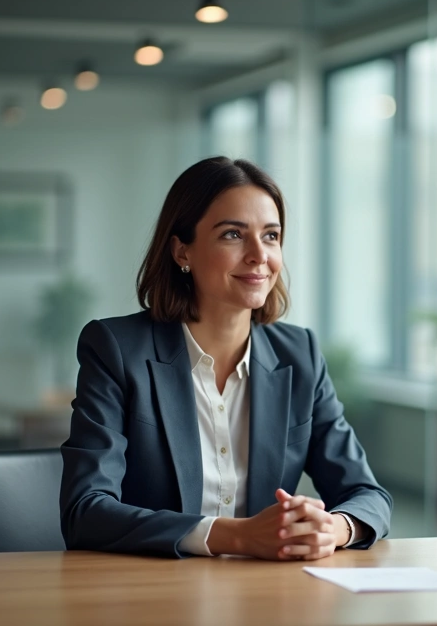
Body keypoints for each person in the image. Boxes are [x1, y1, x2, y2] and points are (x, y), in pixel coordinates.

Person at [61, 156, 392, 559]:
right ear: (182, 251)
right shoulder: (115, 348)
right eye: (233, 235)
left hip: (266, 597)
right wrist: (234, 536)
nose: (258, 255)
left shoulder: (299, 355)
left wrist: (334, 528)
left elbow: (367, 495)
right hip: (149, 594)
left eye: (271, 236)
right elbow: (86, 511)